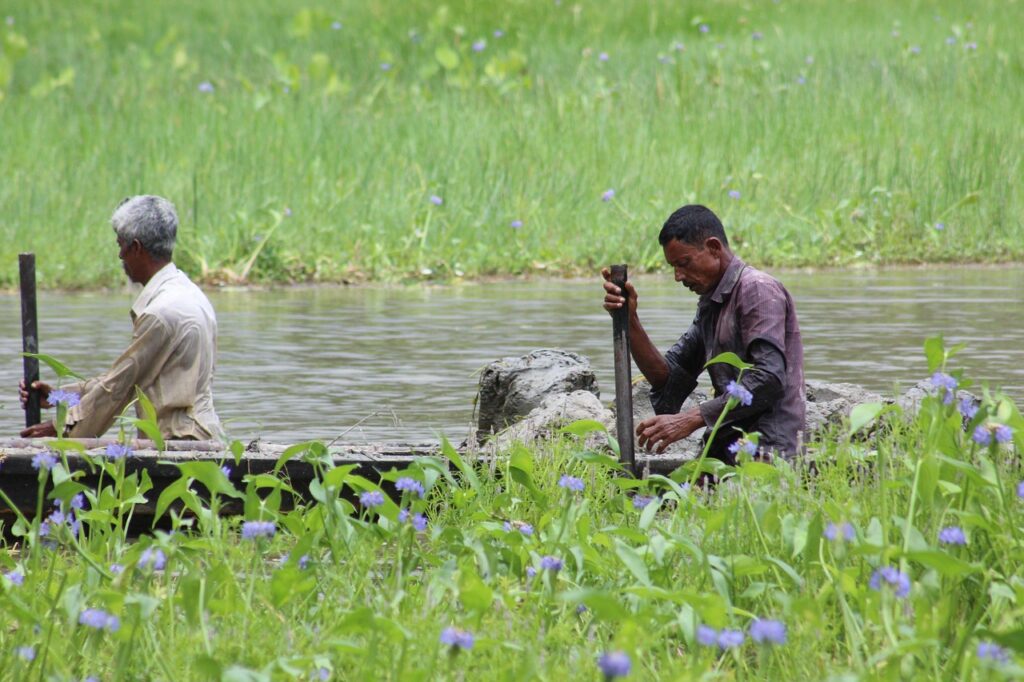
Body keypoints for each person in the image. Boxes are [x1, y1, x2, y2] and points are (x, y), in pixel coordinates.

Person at [602, 204, 804, 464]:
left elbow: (768, 377)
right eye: (673, 267)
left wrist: (690, 419)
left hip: (767, 452)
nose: (678, 276)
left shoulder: (757, 290)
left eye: (684, 263)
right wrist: (630, 319)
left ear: (713, 247)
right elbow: (668, 379)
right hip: (725, 449)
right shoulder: (713, 303)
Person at [19, 195, 223, 441]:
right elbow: (122, 378)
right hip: (205, 436)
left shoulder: (160, 313)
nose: (120, 256)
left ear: (136, 247)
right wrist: (58, 398)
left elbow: (118, 387)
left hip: (178, 442)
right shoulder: (190, 293)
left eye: (121, 246)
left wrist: (60, 426)